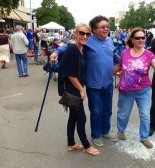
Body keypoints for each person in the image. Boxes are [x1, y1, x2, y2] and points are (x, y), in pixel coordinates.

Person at [50, 15, 119, 147]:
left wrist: (124, 61)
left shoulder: (110, 41)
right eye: (102, 27)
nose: (106, 29)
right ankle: (96, 134)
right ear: (94, 29)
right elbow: (69, 46)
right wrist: (56, 52)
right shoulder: (87, 40)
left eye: (107, 27)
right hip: (94, 84)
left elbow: (114, 55)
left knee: (107, 110)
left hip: (108, 83)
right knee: (96, 111)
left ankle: (105, 131)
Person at [113, 27, 155, 148]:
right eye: (137, 38)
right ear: (132, 39)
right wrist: (107, 72)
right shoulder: (125, 52)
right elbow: (119, 66)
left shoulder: (149, 54)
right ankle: (121, 130)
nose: (140, 40)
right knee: (123, 114)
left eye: (142, 37)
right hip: (126, 90)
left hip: (143, 91)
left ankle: (144, 137)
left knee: (145, 115)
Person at [60, 24, 100, 156]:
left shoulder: (80, 48)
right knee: (81, 118)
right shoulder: (72, 49)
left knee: (73, 117)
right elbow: (70, 74)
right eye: (82, 33)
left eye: (88, 34)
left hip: (75, 89)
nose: (85, 36)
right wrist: (81, 90)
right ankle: (87, 146)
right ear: (75, 34)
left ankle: (71, 143)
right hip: (73, 90)